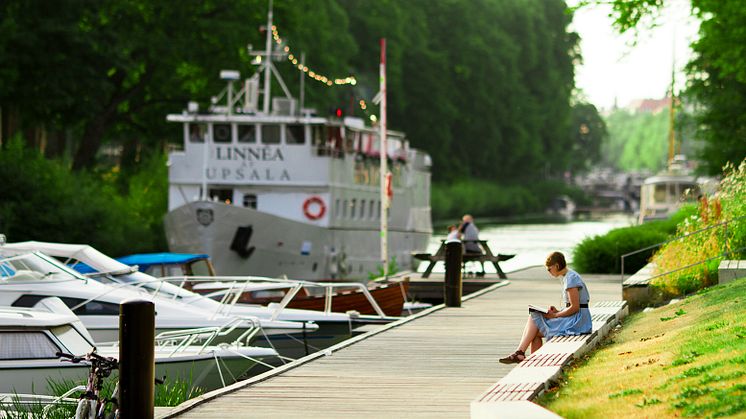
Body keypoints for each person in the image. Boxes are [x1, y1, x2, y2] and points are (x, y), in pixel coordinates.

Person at [498, 251, 592, 364]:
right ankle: (524, 356)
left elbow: (575, 307)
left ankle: (520, 354)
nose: (549, 272)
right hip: (576, 317)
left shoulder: (571, 279)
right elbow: (573, 306)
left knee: (534, 321)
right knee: (535, 326)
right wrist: (558, 311)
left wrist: (556, 315)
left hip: (578, 321)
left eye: (549, 269)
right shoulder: (569, 276)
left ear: (557, 265)